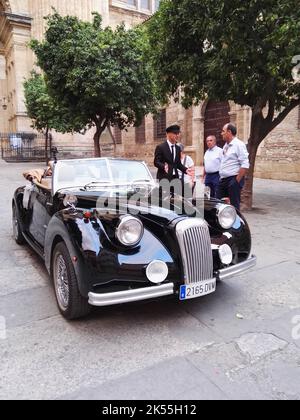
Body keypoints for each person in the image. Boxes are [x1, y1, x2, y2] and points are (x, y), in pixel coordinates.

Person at [217, 123, 250, 210]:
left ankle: (236, 223)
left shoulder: (239, 145)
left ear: (229, 132)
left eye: (223, 131)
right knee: (218, 204)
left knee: (234, 206)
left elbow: (245, 164)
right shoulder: (226, 146)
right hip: (223, 180)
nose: (221, 133)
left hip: (233, 179)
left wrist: (236, 181)